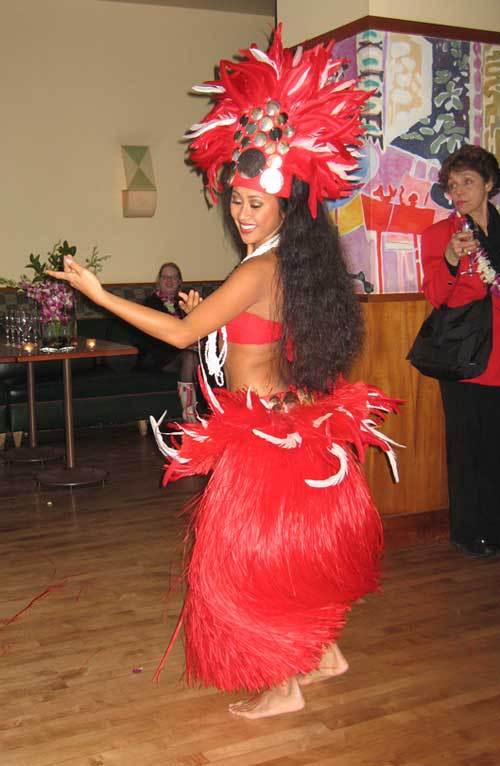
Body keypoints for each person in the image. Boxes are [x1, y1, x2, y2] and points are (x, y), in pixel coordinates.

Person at [49, 26, 399, 719]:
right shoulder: (296, 265)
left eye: (255, 204)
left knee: (243, 567)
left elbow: (183, 333)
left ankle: (284, 683)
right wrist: (206, 309)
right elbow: (241, 330)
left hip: (258, 442)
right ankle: (325, 653)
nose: (241, 213)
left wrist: (99, 294)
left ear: (283, 207)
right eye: (235, 201)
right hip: (289, 427)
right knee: (286, 558)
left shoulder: (257, 266)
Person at [421, 144, 500, 558]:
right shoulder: (439, 235)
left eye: (467, 182)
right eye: (452, 185)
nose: (459, 192)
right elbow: (436, 295)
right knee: (468, 447)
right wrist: (450, 259)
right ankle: (472, 532)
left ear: (489, 184)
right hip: (468, 355)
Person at [139, 261, 199, 423]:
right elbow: (152, 339)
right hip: (160, 356)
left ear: (180, 281)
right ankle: (190, 414)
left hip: (187, 350)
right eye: (165, 277)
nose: (169, 280)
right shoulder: (150, 303)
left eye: (174, 277)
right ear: (158, 281)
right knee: (190, 357)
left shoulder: (187, 301)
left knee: (197, 355)